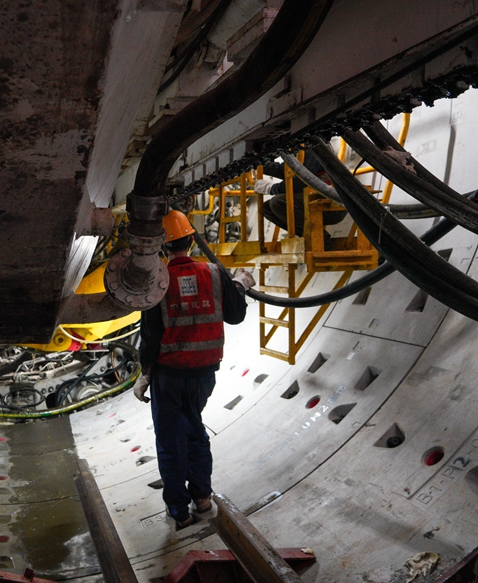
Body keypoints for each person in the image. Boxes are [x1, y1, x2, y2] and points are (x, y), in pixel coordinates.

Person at [133, 210, 255, 529]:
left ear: (162, 248)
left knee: (171, 440)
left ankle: (179, 510)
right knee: (194, 429)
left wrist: (145, 375)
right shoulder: (214, 273)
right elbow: (236, 315)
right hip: (204, 376)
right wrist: (239, 284)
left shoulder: (159, 280)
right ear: (191, 239)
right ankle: (202, 497)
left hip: (169, 376)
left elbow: (151, 335)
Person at [254, 151, 346, 239]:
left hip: (333, 204)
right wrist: (258, 164)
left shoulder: (312, 147)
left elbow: (300, 181)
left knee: (278, 202)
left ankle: (320, 238)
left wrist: (271, 188)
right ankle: (310, 235)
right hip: (318, 198)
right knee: (266, 208)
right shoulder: (300, 150)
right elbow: (286, 170)